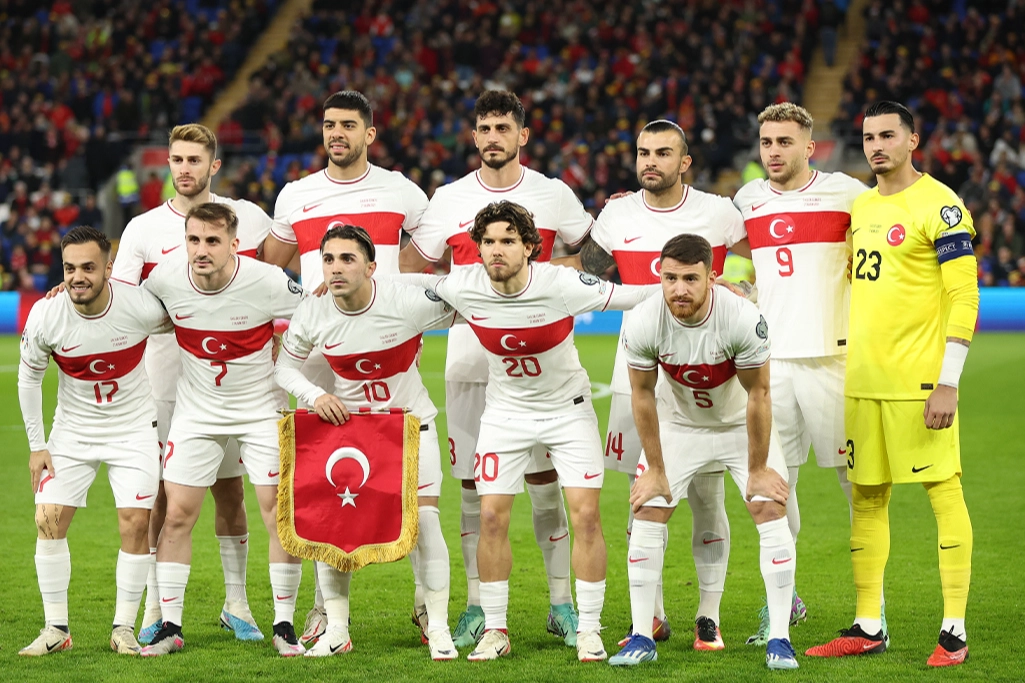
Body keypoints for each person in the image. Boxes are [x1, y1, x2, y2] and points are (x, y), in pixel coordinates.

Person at [411, 200, 656, 662]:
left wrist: (702, 288)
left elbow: (635, 296)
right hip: (504, 414)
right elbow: (409, 287)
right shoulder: (464, 285)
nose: (496, 250)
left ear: (529, 246)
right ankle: (495, 630)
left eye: (507, 240)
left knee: (586, 516)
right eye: (488, 242)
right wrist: (353, 282)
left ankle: (589, 629)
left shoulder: (560, 284)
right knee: (489, 517)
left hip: (568, 412)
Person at [398, 90, 592, 649]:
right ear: (474, 136)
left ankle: (561, 604)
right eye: (483, 128)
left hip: (540, 367)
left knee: (545, 484)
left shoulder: (553, 194)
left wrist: (549, 292)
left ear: (522, 136)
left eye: (502, 128)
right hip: (469, 360)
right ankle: (478, 606)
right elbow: (412, 270)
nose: (492, 138)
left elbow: (587, 254)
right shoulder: (448, 198)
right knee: (472, 489)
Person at [806, 101, 977, 667]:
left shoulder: (941, 206)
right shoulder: (860, 206)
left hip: (919, 384)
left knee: (943, 492)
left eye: (887, 135)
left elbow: (964, 296)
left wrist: (948, 381)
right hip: (862, 382)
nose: (876, 146)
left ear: (912, 141)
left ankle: (954, 630)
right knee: (866, 497)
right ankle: (868, 624)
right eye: (868, 137)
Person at [570, 119, 749, 650]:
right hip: (637, 372)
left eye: (663, 153)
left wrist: (742, 285)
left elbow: (759, 260)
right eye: (644, 152)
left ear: (684, 162)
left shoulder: (717, 211)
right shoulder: (618, 213)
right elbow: (586, 269)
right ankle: (650, 614)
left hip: (704, 372)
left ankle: (708, 615)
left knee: (708, 495)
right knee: (642, 493)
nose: (651, 161)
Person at [262, 91, 430, 643]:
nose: (337, 133)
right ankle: (326, 613)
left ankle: (425, 606)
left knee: (409, 485)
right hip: (316, 355)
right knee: (324, 487)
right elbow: (269, 267)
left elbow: (432, 252)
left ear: (369, 134)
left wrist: (396, 297)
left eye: (348, 125)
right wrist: (298, 305)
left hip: (381, 346)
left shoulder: (401, 190)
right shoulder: (296, 194)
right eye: (329, 124)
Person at [608, 233, 799, 670]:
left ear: (712, 277)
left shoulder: (741, 317)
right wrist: (656, 469)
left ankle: (780, 639)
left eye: (691, 279)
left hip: (738, 425)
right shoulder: (644, 320)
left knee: (769, 506)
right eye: (670, 278)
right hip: (680, 425)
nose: (679, 289)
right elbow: (642, 395)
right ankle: (642, 635)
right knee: (648, 507)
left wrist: (757, 468)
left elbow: (759, 394)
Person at [112, 123, 272, 644]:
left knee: (231, 492)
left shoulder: (248, 218)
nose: (184, 169)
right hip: (164, 379)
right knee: (165, 498)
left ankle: (236, 604)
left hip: (235, 384)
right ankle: (158, 608)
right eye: (177, 160)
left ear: (213, 166)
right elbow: (120, 303)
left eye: (194, 160)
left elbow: (271, 279)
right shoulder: (142, 229)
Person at [274, 225, 458, 660]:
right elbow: (284, 368)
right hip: (351, 434)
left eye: (347, 259)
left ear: (372, 267)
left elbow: (463, 298)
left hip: (410, 429)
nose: (335, 268)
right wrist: (315, 396)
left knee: (427, 522)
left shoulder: (405, 301)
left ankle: (439, 628)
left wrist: (411, 279)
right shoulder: (314, 310)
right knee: (330, 529)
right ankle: (337, 630)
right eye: (329, 259)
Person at [138, 203, 306, 657]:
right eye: (194, 240)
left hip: (260, 408)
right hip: (197, 412)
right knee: (177, 513)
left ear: (234, 244)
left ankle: (284, 625)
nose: (201, 250)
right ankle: (170, 626)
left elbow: (317, 314)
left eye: (212, 241)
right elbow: (123, 310)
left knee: (278, 512)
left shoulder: (267, 280)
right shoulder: (166, 279)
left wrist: (288, 347)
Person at [732, 102, 871, 645]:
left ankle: (871, 609)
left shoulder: (845, 193)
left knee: (857, 488)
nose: (773, 151)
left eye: (785, 142)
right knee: (771, 489)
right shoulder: (748, 198)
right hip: (771, 366)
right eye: (767, 142)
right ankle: (783, 603)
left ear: (810, 147)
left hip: (834, 361)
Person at [18, 227, 172, 656]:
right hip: (73, 432)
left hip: (133, 429)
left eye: (88, 267)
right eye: (69, 268)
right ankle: (56, 629)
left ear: (109, 268)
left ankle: (123, 628)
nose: (77, 277)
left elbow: (188, 317)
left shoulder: (140, 305)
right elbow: (28, 379)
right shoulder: (46, 314)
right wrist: (37, 445)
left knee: (135, 524)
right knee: (47, 519)